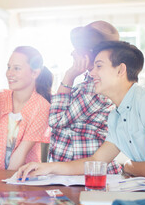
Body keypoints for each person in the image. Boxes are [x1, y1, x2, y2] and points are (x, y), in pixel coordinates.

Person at [17, 41, 145, 180]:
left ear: (121, 70)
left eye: (99, 66)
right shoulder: (116, 116)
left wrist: (128, 165)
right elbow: (95, 161)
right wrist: (46, 167)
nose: (91, 73)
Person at [48, 21, 121, 174]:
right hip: (73, 173)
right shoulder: (87, 83)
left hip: (89, 175)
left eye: (76, 49)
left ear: (86, 54)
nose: (72, 53)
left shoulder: (95, 90)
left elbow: (56, 120)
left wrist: (69, 75)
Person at [0, 46, 53, 170]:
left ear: (35, 73)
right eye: (9, 67)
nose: (9, 73)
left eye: (17, 68)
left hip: (25, 176)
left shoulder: (42, 107)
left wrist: (6, 183)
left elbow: (21, 152)